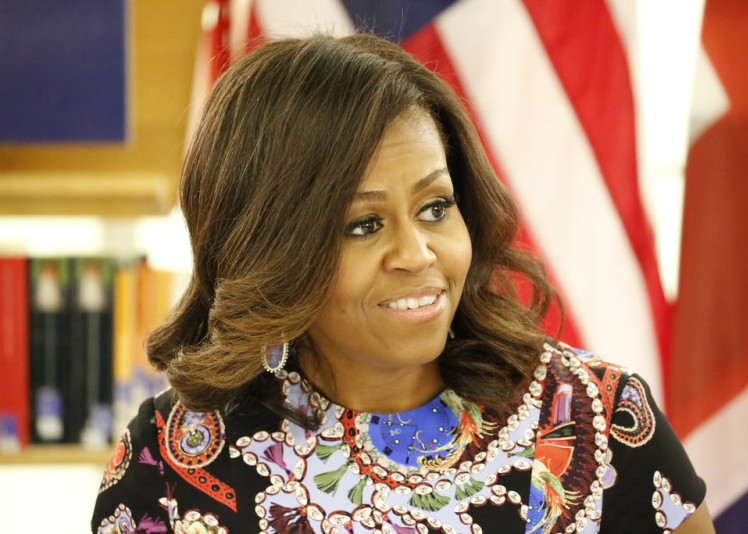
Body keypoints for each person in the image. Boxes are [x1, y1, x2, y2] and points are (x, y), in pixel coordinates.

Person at [91, 34, 715, 534]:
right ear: (271, 251)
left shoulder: (598, 420)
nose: (418, 254)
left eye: (435, 207)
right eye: (363, 225)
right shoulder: (171, 459)